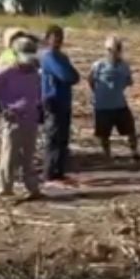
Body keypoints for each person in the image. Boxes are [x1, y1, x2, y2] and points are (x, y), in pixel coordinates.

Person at [0, 35, 43, 200]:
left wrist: (40, 107)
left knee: (29, 155)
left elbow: (37, 92)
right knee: (9, 154)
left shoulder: (34, 73)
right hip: (14, 119)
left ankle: (32, 187)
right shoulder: (8, 72)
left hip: (31, 117)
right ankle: (5, 188)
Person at [88, 35, 139, 162]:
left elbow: (129, 81)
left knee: (130, 130)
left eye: (116, 49)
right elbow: (90, 80)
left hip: (119, 104)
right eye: (110, 50)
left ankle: (134, 151)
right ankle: (107, 155)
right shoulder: (98, 65)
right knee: (104, 134)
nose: (113, 53)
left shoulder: (124, 66)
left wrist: (117, 89)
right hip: (102, 106)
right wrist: (98, 93)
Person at [39, 25, 80, 182]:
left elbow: (75, 76)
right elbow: (67, 76)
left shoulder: (62, 57)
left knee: (63, 137)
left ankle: (59, 170)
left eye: (60, 37)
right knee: (53, 137)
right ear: (47, 38)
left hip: (64, 100)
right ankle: (49, 171)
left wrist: (70, 75)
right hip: (53, 100)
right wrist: (70, 76)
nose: (58, 40)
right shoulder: (48, 57)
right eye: (55, 37)